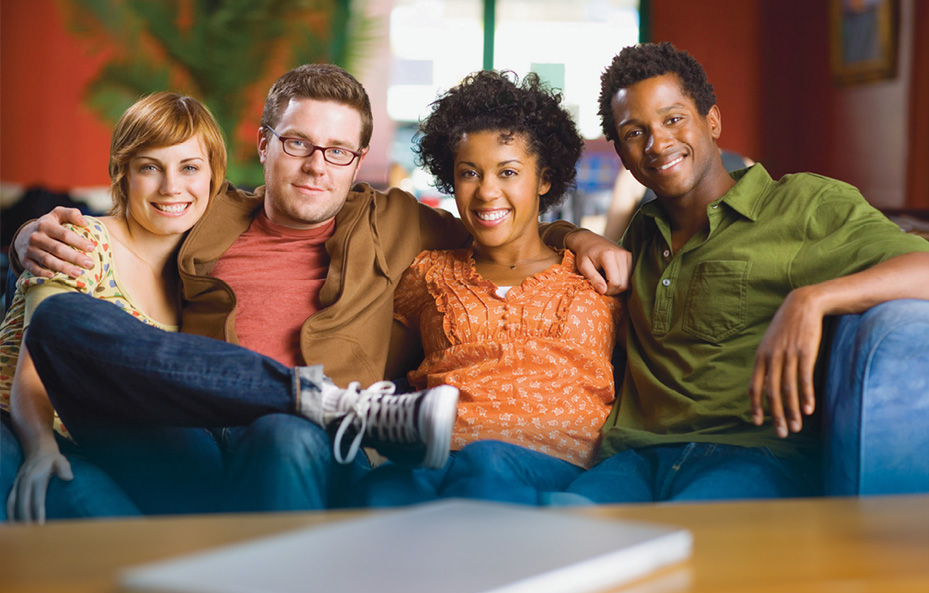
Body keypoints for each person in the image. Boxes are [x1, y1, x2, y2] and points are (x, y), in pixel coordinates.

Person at [10, 64, 630, 513]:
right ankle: (313, 397)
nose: (315, 166)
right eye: (298, 143)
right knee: (58, 324)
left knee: (282, 431)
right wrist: (26, 238)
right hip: (193, 434)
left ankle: (316, 407)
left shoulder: (395, 221)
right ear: (264, 144)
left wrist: (577, 237)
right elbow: (130, 221)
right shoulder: (205, 211)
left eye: (337, 152)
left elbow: (499, 220)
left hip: (310, 444)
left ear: (358, 162)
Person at [560, 42, 929, 503]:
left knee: (694, 531)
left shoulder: (800, 205)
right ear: (621, 151)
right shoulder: (642, 232)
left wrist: (814, 298)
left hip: (750, 455)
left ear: (712, 121)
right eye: (635, 132)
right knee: (563, 524)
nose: (657, 144)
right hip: (632, 457)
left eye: (673, 119)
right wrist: (572, 234)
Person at [352, 71, 625, 508]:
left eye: (508, 172)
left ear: (544, 179)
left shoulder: (598, 276)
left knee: (487, 462)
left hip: (557, 462)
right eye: (469, 173)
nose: (486, 192)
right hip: (439, 457)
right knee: (378, 491)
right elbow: (375, 373)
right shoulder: (428, 273)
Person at [1, 92, 227, 522]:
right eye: (150, 167)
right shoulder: (82, 243)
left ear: (214, 177)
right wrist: (41, 448)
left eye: (190, 167)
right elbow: (36, 368)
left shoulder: (199, 279)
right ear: (123, 174)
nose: (171, 187)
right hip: (23, 424)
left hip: (109, 446)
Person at [602, 149, 752, 242]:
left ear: (712, 120)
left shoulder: (745, 166)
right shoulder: (633, 177)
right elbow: (611, 244)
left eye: (675, 120)